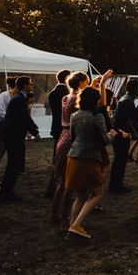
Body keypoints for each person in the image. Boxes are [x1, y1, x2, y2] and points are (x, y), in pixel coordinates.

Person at [66, 86, 118, 239]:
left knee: (81, 195)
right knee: (97, 193)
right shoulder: (97, 116)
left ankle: (72, 227)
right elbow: (105, 140)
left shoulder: (74, 115)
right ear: (94, 101)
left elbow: (72, 137)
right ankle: (76, 225)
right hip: (89, 158)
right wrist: (112, 134)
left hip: (74, 156)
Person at [51, 71, 89, 223]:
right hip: (71, 139)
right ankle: (65, 218)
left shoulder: (65, 97)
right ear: (81, 83)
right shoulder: (76, 99)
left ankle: (54, 214)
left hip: (62, 136)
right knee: (69, 183)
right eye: (86, 81)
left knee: (63, 183)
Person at [0, 76, 40, 201]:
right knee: (14, 163)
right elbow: (23, 118)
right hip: (13, 135)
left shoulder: (19, 98)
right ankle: (6, 193)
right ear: (25, 86)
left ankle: (7, 191)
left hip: (12, 134)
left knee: (14, 163)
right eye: (30, 84)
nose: (32, 86)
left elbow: (24, 117)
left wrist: (34, 129)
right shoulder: (19, 99)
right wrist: (35, 131)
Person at [109, 78, 138, 193]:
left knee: (119, 160)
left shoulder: (123, 99)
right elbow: (127, 119)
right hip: (122, 135)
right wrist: (134, 133)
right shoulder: (128, 101)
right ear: (136, 89)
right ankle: (116, 186)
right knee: (120, 161)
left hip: (119, 133)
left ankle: (115, 184)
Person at [45, 69, 71, 198]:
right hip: (65, 129)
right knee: (63, 160)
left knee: (57, 158)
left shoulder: (52, 93)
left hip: (56, 128)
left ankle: (53, 188)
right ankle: (55, 189)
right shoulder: (67, 93)